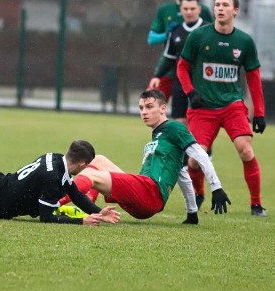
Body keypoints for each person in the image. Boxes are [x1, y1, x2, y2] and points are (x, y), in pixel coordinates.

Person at [68, 89, 230, 223]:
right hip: (142, 194)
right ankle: (89, 208)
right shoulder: (159, 137)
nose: (144, 112)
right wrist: (192, 213)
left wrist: (216, 188)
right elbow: (182, 175)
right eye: (141, 108)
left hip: (150, 193)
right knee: (98, 160)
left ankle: (55, 201)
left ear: (163, 108)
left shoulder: (174, 128)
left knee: (92, 174)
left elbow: (200, 154)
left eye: (149, 107)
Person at [176, 0, 267, 217]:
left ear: (235, 11)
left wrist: (260, 113)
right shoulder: (198, 36)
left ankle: (256, 204)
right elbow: (182, 67)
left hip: (232, 106)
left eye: (225, 5)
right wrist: (191, 92)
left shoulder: (244, 41)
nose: (219, 8)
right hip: (202, 109)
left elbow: (254, 78)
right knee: (195, 160)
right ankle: (199, 193)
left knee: (246, 151)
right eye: (217, 4)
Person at [147, 0, 209, 125]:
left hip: (202, 83)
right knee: (180, 122)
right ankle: (182, 146)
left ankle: (203, 147)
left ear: (199, 9)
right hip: (180, 82)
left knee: (201, 123)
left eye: (192, 9)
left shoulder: (208, 30)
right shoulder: (175, 31)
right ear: (181, 10)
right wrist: (157, 76)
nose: (189, 12)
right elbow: (169, 58)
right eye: (185, 9)